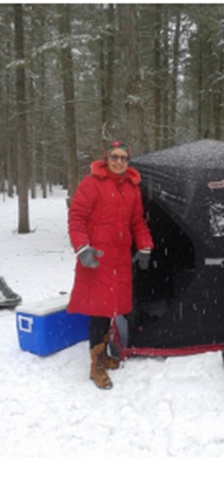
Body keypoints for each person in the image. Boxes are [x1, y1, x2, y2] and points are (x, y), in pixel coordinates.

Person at [67, 140, 153, 390]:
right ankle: (96, 366)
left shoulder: (132, 188)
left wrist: (145, 246)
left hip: (120, 259)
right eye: (114, 157)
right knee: (99, 310)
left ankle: (103, 355)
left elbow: (137, 221)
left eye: (123, 158)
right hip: (96, 259)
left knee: (111, 309)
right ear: (106, 157)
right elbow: (76, 218)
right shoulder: (91, 183)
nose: (119, 162)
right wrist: (82, 248)